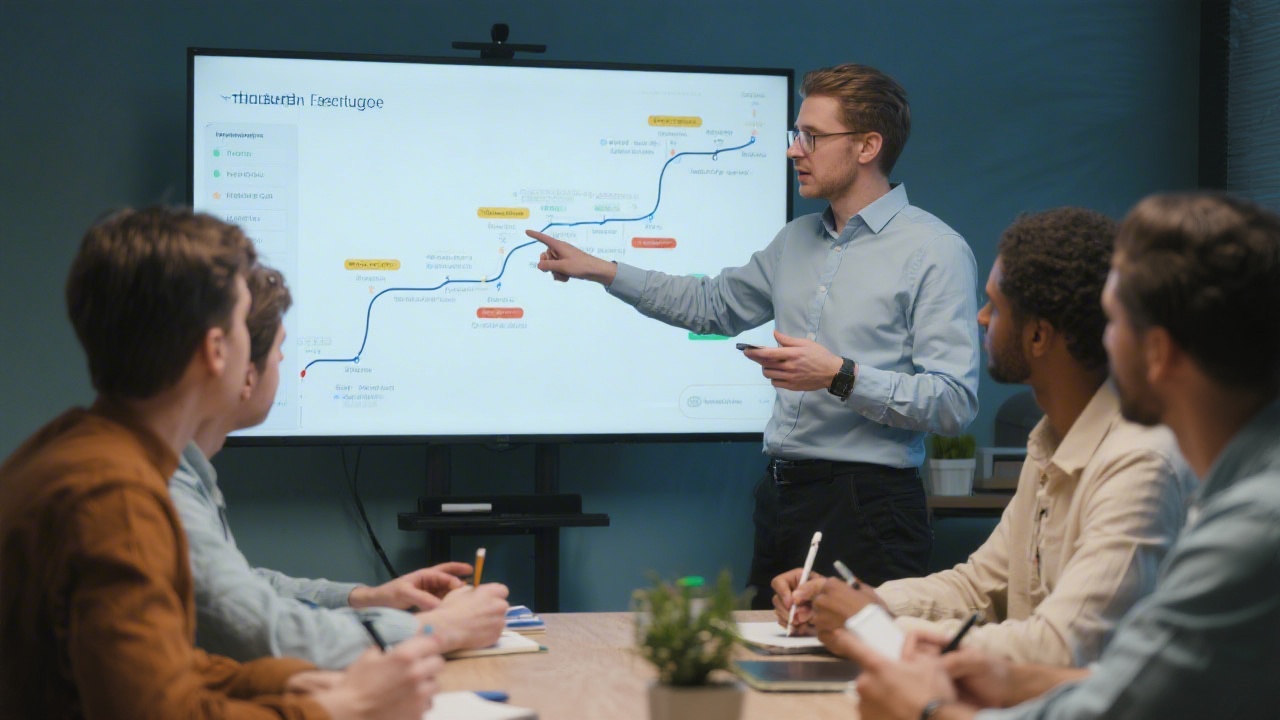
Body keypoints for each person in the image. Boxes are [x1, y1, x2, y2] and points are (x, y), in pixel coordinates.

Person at [527, 63, 981, 606]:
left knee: (853, 678)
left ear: (867, 146)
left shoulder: (933, 249)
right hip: (782, 497)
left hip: (869, 507)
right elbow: (710, 305)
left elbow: (953, 402)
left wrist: (839, 376)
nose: (794, 150)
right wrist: (604, 270)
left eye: (811, 136)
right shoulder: (795, 241)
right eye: (796, 135)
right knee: (769, 669)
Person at [835, 192, 1280, 719]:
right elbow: (1135, 685)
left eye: (1111, 321)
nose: (1099, 337)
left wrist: (927, 709)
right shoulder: (1237, 495)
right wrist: (1009, 677)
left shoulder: (1253, 524)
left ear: (1158, 352)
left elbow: (1114, 704)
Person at [0, 207, 442, 718]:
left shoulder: (71, 449)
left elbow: (173, 669)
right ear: (215, 350)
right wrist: (342, 708)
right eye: (240, 321)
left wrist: (300, 684)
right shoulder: (117, 499)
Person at [773, 208, 1196, 665]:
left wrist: (877, 627)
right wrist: (862, 602)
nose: (980, 317)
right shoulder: (1052, 440)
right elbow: (979, 586)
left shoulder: (1140, 462)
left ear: (1037, 336)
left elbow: (1064, 647)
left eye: (995, 306)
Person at [171, 263, 509, 669]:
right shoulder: (161, 487)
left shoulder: (186, 472)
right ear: (231, 362)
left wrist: (366, 598)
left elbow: (239, 592)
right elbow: (256, 631)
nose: (281, 359)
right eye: (279, 346)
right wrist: (438, 629)